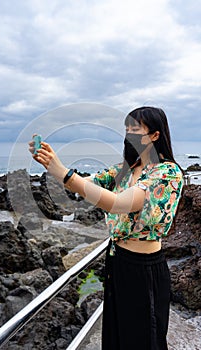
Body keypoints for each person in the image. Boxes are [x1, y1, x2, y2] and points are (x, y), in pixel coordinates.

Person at [29, 106, 184, 350]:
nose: (129, 134)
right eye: (127, 129)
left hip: (144, 269)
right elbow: (83, 185)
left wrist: (63, 171)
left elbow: (117, 203)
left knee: (145, 339)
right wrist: (52, 164)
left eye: (136, 129)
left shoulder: (167, 173)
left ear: (155, 135)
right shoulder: (125, 169)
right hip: (118, 261)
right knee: (118, 334)